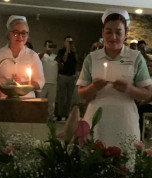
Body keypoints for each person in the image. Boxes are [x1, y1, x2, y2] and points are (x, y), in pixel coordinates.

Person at [77, 8, 152, 147]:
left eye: (118, 32)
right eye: (109, 32)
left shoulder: (135, 58)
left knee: (125, 159)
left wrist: (128, 88)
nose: (113, 37)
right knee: (94, 160)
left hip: (125, 118)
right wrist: (93, 87)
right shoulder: (92, 58)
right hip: (96, 118)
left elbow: (148, 93)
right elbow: (81, 93)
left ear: (126, 34)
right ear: (102, 33)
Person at [0, 15, 45, 98]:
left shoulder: (33, 56)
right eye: (16, 32)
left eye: (23, 33)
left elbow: (40, 81)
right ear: (9, 34)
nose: (20, 36)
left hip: (26, 101)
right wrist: (6, 87)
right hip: (3, 99)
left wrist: (22, 85)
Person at [56, 35, 78, 121]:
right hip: (63, 76)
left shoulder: (74, 52)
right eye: (67, 41)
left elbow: (77, 60)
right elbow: (63, 60)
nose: (69, 43)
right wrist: (67, 51)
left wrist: (74, 51)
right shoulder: (61, 51)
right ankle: (60, 114)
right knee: (61, 96)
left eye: (70, 42)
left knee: (70, 97)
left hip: (72, 76)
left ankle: (67, 114)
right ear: (64, 42)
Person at [39, 40, 58, 117]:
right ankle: (39, 116)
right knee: (40, 101)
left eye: (51, 46)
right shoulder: (41, 55)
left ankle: (51, 116)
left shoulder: (56, 57)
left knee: (51, 102)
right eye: (48, 46)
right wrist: (44, 50)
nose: (50, 47)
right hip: (43, 82)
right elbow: (38, 58)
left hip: (53, 83)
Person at [137, 57, 152, 137]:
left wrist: (143, 102)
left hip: (149, 104)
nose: (149, 68)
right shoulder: (145, 77)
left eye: (151, 66)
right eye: (148, 66)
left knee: (142, 109)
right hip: (142, 102)